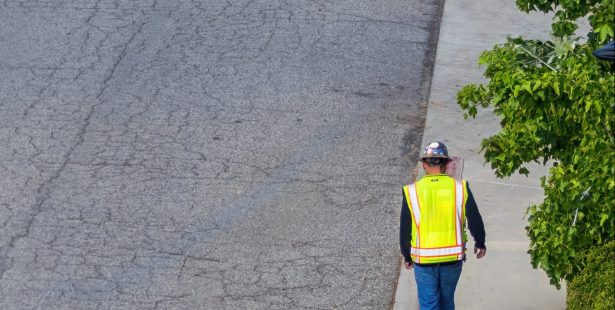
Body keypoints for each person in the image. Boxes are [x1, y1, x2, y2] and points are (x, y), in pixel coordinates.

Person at [400, 141, 486, 310]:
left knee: (429, 305)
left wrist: (407, 255)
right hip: (452, 260)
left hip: (424, 261)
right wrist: (480, 242)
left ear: (425, 165)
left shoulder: (411, 191)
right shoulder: (460, 188)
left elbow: (405, 229)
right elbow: (475, 219)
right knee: (447, 301)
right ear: (446, 164)